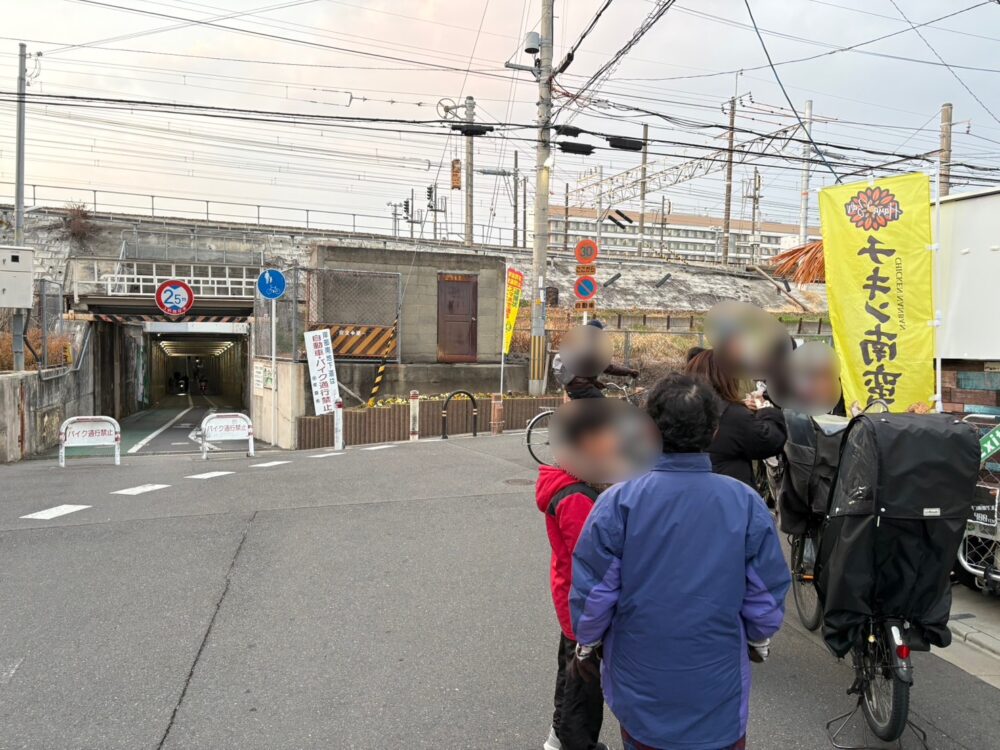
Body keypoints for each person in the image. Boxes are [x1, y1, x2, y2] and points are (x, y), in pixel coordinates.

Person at [570, 373, 791, 750]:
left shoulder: (618, 503)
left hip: (640, 675)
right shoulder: (745, 502)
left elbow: (594, 593)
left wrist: (587, 643)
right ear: (714, 430)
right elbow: (766, 590)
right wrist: (758, 637)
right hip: (716, 679)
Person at [536, 403, 613, 750]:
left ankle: (558, 737)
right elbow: (593, 557)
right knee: (583, 681)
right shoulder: (576, 496)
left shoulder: (570, 484)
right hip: (582, 601)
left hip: (572, 594)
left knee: (572, 671)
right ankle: (574, 743)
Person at [685, 348, 787, 489]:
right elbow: (770, 440)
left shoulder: (682, 410)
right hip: (729, 490)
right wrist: (765, 408)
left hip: (691, 488)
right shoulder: (732, 415)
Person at [554, 321, 639, 400]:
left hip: (572, 387)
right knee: (605, 406)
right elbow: (607, 367)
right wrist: (629, 371)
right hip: (583, 388)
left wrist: (595, 383)